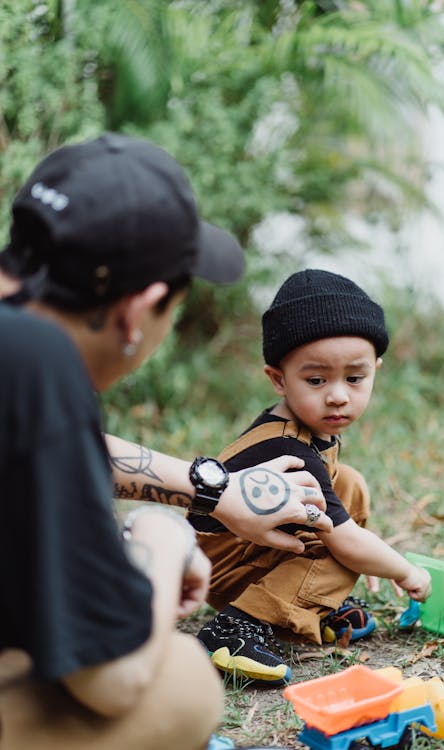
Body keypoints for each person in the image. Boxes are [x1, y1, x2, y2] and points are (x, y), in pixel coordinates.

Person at [0, 133, 328, 750]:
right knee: (179, 684)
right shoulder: (39, 364)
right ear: (139, 310)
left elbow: (39, 443)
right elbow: (112, 679)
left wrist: (214, 489)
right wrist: (161, 540)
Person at [191, 269, 432, 686]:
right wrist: (405, 570)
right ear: (279, 379)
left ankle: (311, 605)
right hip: (223, 564)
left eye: (354, 378)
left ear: (375, 369)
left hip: (252, 550)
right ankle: (233, 628)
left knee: (349, 483)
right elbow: (349, 542)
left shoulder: (312, 427)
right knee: (340, 551)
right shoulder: (286, 446)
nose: (338, 394)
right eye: (316, 380)